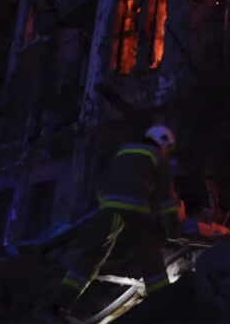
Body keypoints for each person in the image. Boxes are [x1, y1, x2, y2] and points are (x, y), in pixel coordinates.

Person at [49, 124, 182, 318]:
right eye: (167, 148)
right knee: (150, 256)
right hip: (136, 208)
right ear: (163, 143)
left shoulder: (123, 151)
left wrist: (109, 202)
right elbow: (166, 199)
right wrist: (173, 233)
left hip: (108, 206)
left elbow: (102, 181)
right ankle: (162, 306)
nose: (166, 152)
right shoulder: (158, 157)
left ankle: (60, 303)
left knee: (93, 255)